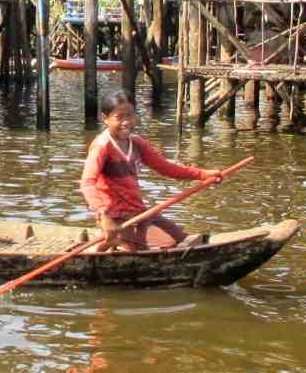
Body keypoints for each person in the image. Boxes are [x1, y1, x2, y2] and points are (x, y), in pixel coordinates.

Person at [80, 90, 219, 252]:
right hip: (114, 218)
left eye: (130, 116)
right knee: (167, 244)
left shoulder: (137, 143)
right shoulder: (102, 147)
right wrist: (103, 214)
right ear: (105, 119)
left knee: (184, 238)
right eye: (119, 117)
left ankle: (115, 242)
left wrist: (203, 174)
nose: (126, 122)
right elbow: (87, 183)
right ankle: (110, 241)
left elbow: (166, 168)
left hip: (138, 212)